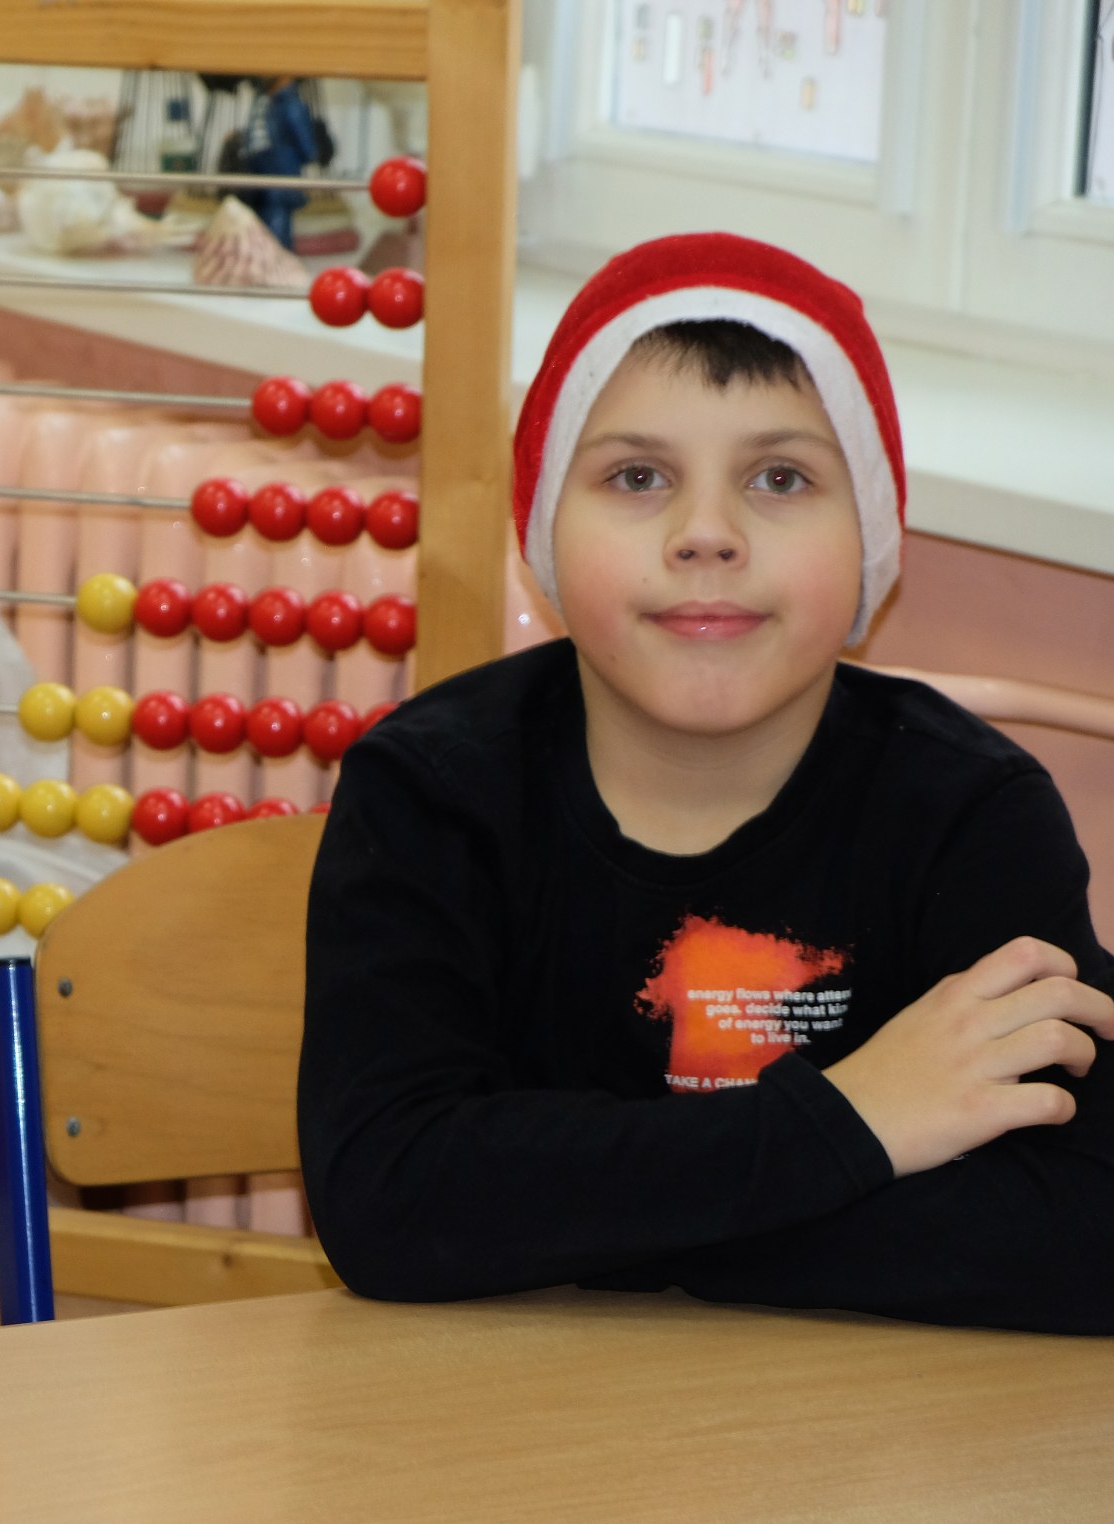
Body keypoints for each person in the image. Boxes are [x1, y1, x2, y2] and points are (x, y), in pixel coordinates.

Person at [299, 232, 1114, 1332]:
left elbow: (1086, 1225)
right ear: (543, 534)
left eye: (779, 478)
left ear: (872, 539)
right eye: (637, 477)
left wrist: (583, 1212)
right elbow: (388, 1198)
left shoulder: (969, 814)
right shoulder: (430, 795)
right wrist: (854, 1123)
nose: (706, 536)